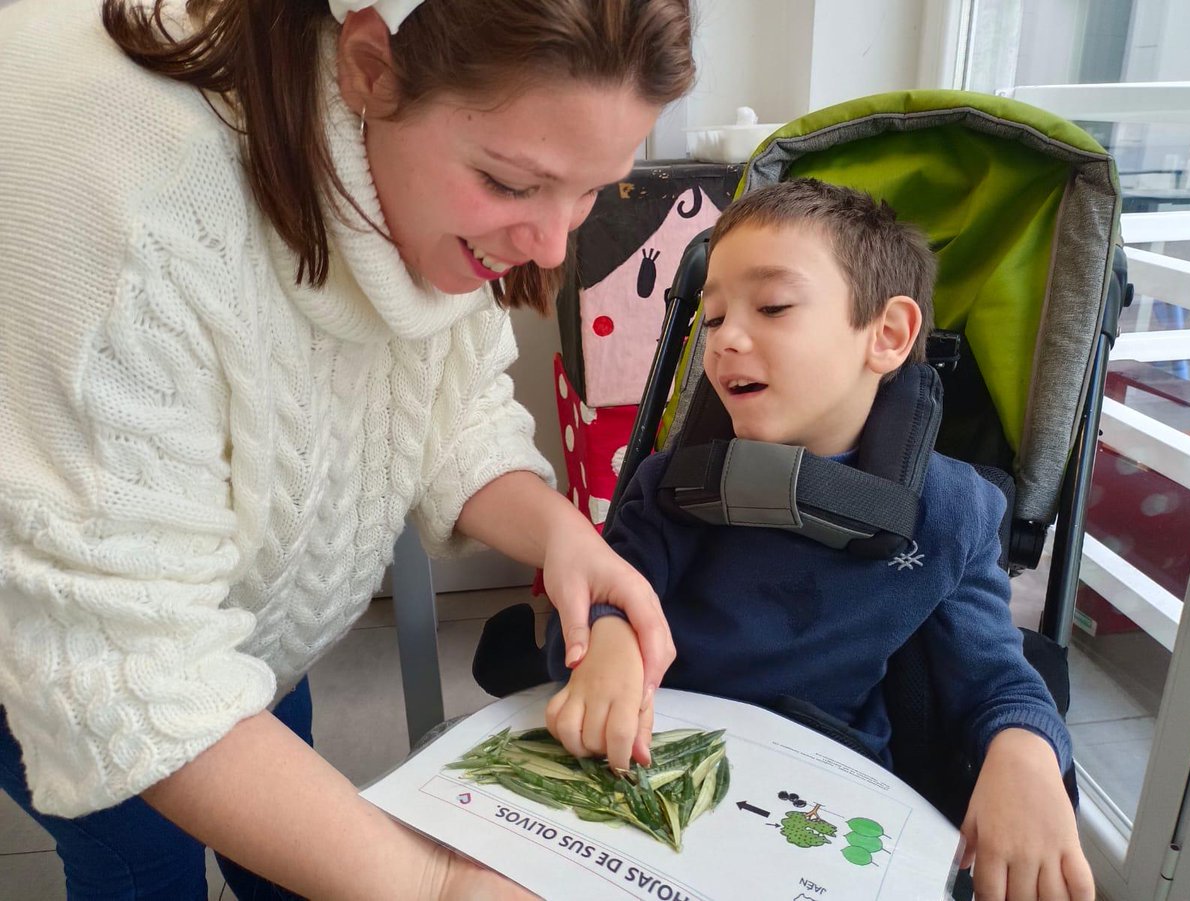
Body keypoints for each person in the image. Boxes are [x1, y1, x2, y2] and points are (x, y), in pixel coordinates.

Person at [0, 0, 693, 896]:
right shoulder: (126, 207)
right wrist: (436, 885)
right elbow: (117, 663)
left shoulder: (430, 149)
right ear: (369, 69)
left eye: (593, 187)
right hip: (65, 630)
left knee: (294, 844)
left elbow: (448, 411)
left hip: (249, 623)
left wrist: (564, 537)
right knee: (140, 865)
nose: (554, 242)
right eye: (514, 184)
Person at [544, 179, 1096, 901]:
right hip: (652, 759)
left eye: (772, 307)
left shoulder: (953, 511)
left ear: (888, 335)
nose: (728, 339)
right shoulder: (669, 486)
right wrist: (609, 641)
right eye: (711, 319)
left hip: (820, 798)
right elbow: (603, 596)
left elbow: (994, 675)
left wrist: (1024, 753)